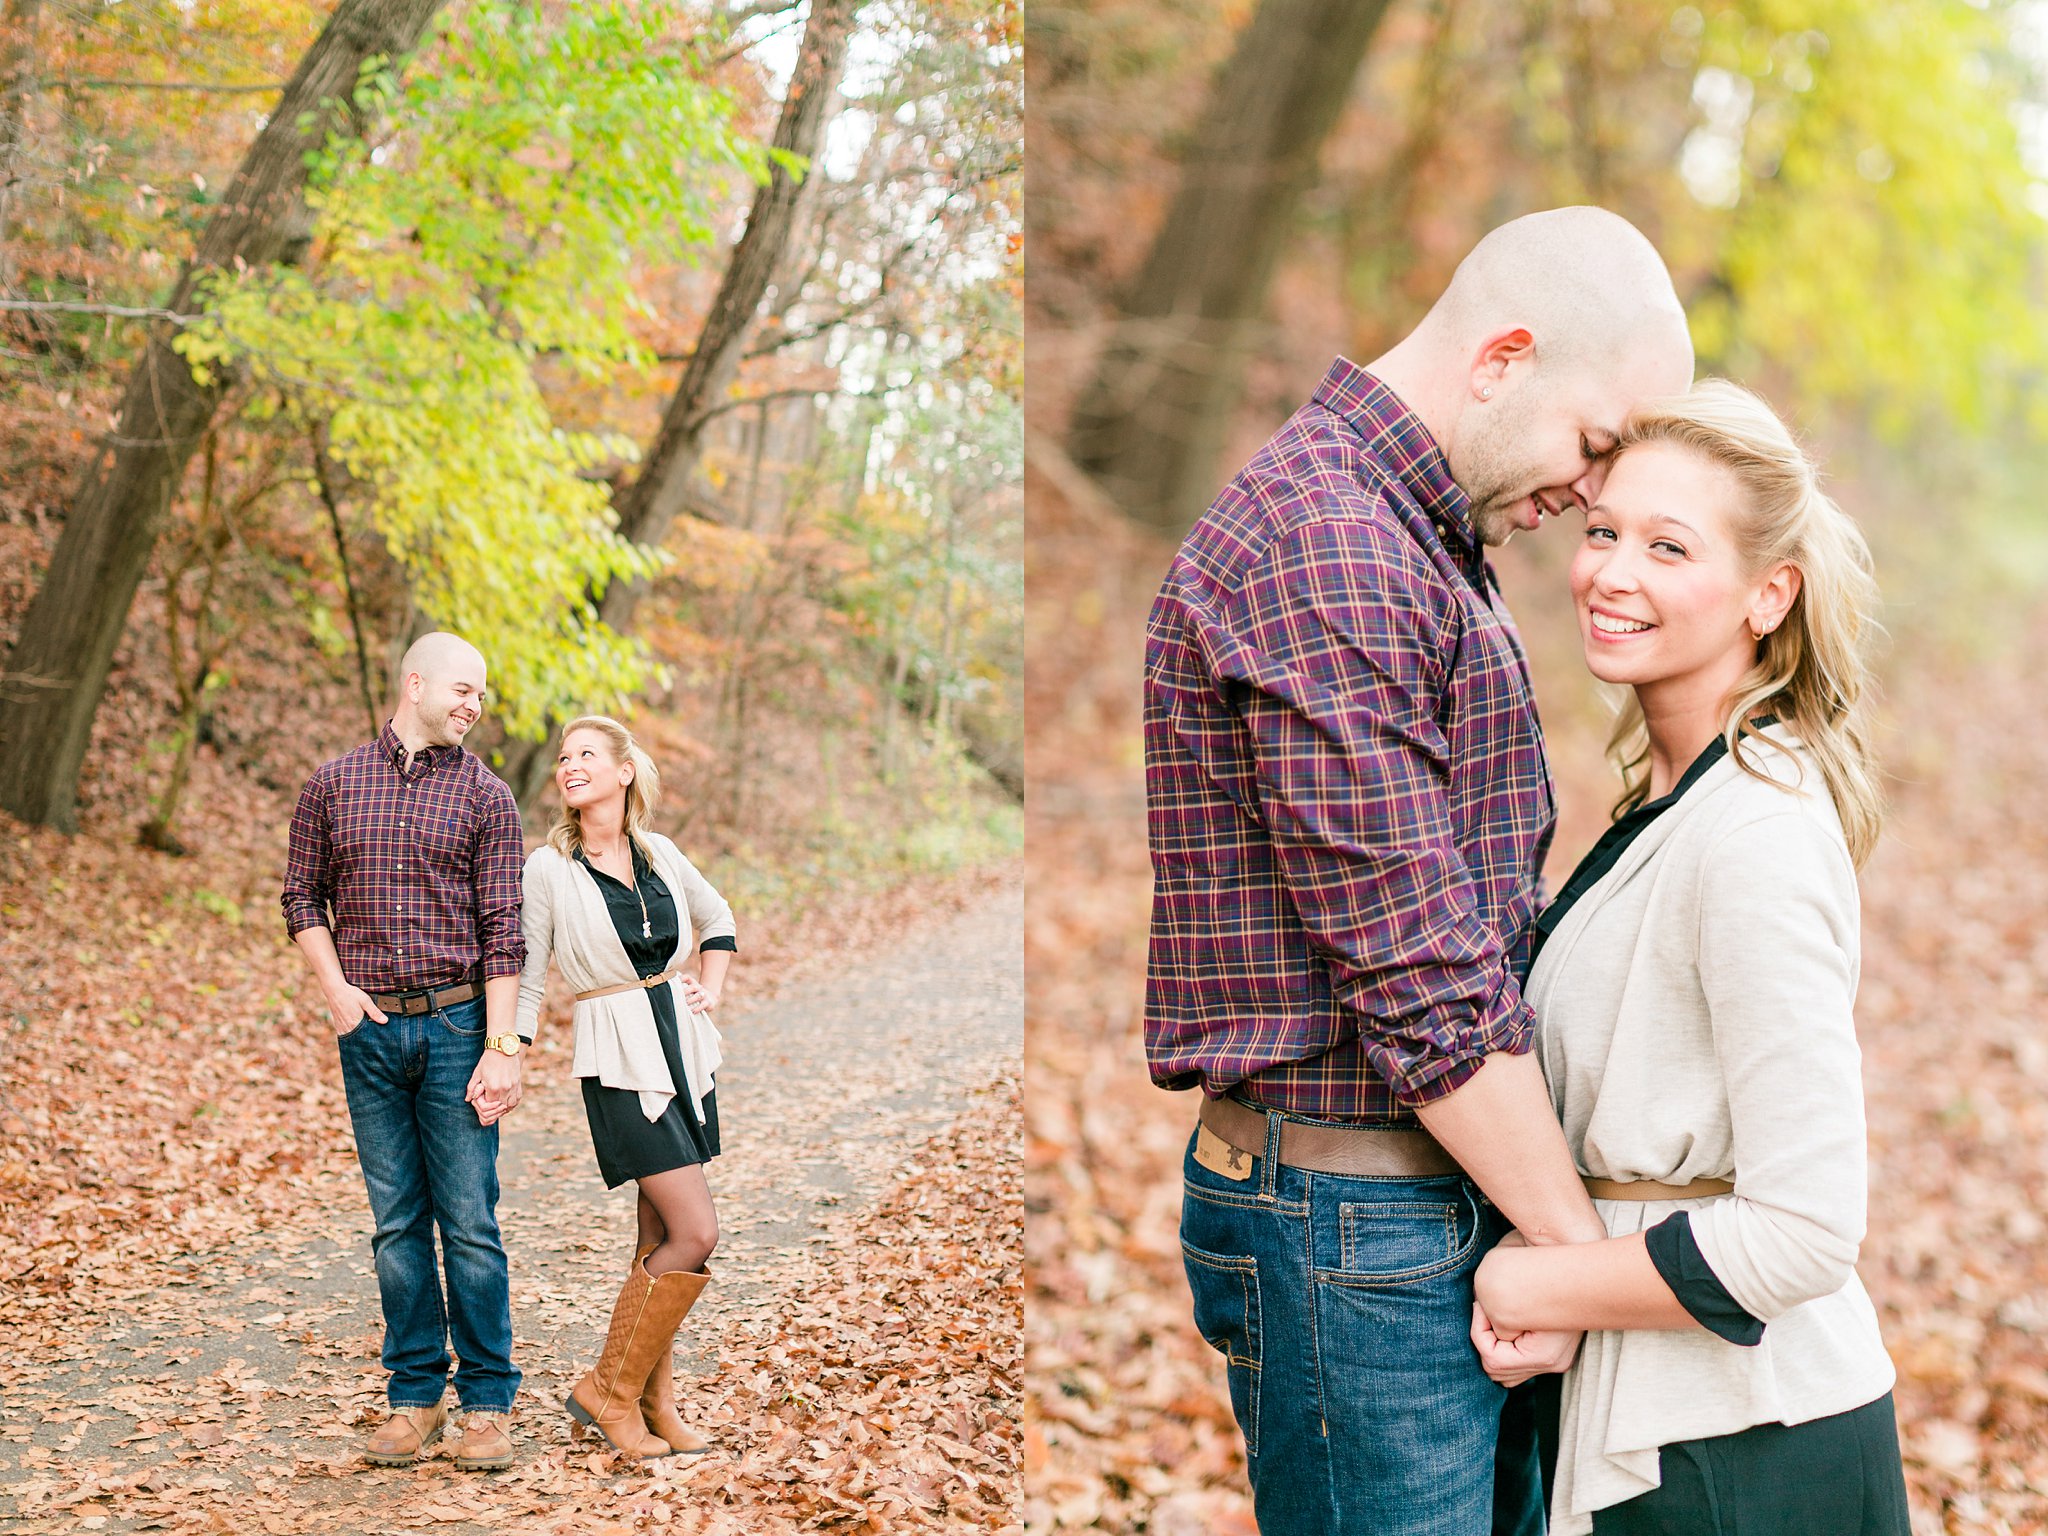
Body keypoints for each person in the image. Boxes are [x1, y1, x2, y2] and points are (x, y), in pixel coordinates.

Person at [1142, 206, 1695, 1534]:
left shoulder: (1411, 529)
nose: (1593, 496)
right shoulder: (1333, 546)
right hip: (1356, 1227)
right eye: (1596, 443)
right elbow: (1421, 974)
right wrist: (1573, 1252)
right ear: (1502, 361)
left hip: (1416, 1199)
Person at [1468, 380, 1908, 1534]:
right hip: (1661, 1419)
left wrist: (1535, 1279)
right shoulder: (1671, 801)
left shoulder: (1754, 830)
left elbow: (1804, 1227)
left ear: (1769, 594)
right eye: (1602, 531)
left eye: (1668, 546)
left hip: (1746, 1450)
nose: (1612, 572)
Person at [281, 632, 528, 1472]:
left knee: (470, 1225)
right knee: (395, 1228)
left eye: (483, 695)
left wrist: (502, 1047)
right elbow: (300, 894)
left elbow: (505, 933)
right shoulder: (334, 783)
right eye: (464, 689)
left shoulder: (488, 797)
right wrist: (335, 990)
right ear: (414, 682)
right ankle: (414, 1398)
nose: (474, 705)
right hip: (371, 1036)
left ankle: (487, 1405)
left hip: (460, 1031)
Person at [514, 715, 737, 1459]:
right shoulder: (549, 868)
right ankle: (608, 1390)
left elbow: (718, 918)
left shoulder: (661, 854)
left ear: (624, 771)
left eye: (587, 755)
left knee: (658, 1236)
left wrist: (710, 986)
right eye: (564, 757)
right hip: (614, 1052)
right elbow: (530, 972)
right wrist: (505, 1050)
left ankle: (654, 1404)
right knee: (695, 1232)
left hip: (679, 1044)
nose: (570, 766)